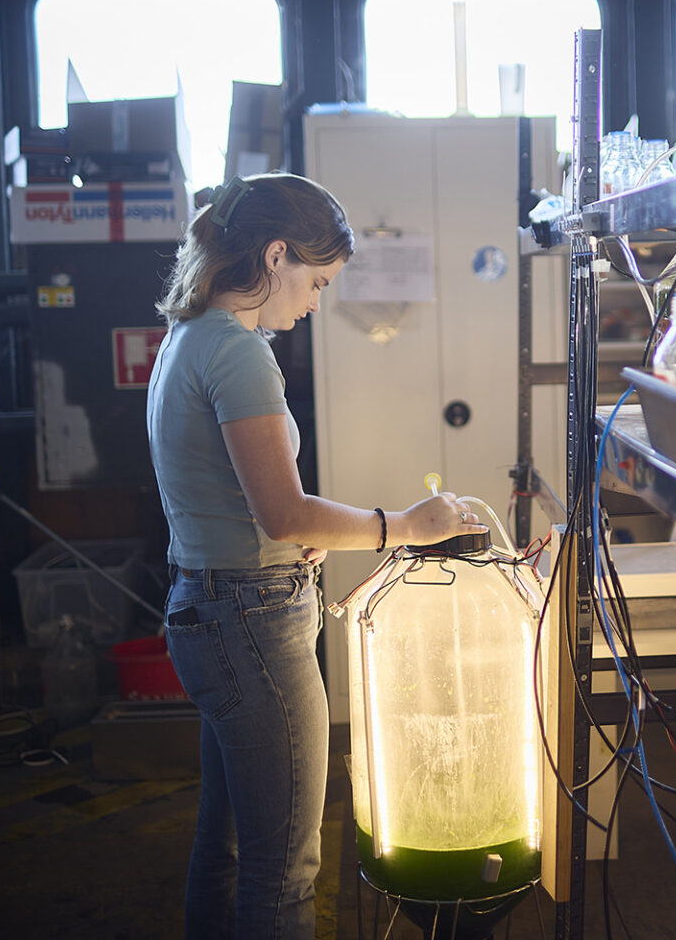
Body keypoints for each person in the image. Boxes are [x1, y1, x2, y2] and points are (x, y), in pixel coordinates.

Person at [146, 172, 486, 939]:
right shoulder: (238, 354)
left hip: (209, 607)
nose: (316, 301)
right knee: (285, 867)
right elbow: (284, 510)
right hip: (251, 622)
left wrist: (296, 531)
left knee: (227, 841)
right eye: (317, 280)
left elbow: (249, 508)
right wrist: (408, 522)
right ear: (275, 256)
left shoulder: (188, 336)